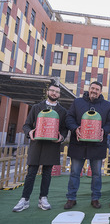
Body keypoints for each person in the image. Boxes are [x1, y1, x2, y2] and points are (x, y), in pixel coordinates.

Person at [13, 84, 68, 212]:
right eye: (52, 91)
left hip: (52, 145)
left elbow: (64, 129)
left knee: (47, 173)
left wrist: (62, 137)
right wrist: (29, 132)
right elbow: (26, 125)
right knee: (31, 173)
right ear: (47, 92)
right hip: (37, 144)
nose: (54, 93)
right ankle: (24, 199)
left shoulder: (63, 111)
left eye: (57, 92)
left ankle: (43, 198)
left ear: (59, 95)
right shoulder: (37, 107)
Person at [64, 81, 110, 209]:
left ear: (100, 92)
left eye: (97, 89)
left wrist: (105, 130)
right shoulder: (77, 102)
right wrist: (75, 128)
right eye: (92, 88)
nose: (94, 91)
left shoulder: (107, 105)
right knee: (75, 172)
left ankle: (95, 198)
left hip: (97, 145)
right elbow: (69, 118)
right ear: (89, 89)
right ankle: (71, 198)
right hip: (78, 143)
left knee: (97, 174)